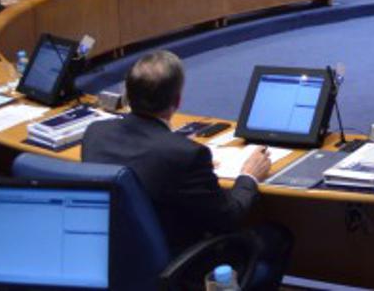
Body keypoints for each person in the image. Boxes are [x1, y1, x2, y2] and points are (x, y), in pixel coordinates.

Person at [82, 51, 292, 286]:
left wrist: (178, 150)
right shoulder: (185, 154)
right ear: (177, 101)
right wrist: (249, 176)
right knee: (276, 236)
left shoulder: (95, 134)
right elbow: (228, 217)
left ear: (127, 94)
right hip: (176, 265)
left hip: (112, 260)